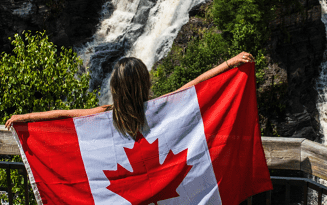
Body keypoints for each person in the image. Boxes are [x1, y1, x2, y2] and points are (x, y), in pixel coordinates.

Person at [5, 51, 255, 137]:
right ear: (146, 83)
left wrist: (25, 117)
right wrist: (229, 64)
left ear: (115, 88)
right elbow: (193, 86)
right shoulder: (160, 108)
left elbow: (63, 115)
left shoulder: (108, 115)